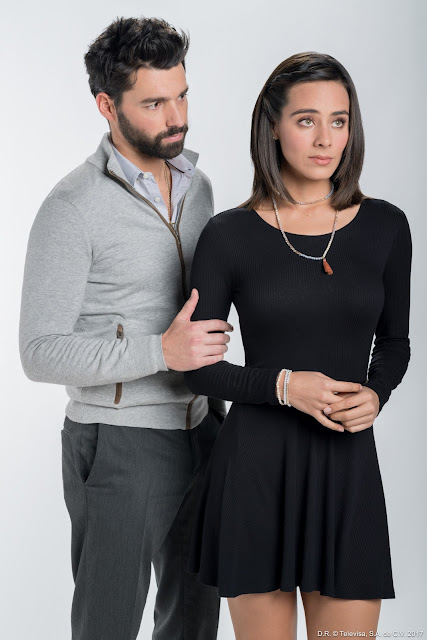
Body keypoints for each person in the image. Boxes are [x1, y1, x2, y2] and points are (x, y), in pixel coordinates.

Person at [183, 52, 412, 640]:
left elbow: (395, 343)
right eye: (307, 120)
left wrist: (377, 394)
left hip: (347, 468)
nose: (325, 138)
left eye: (339, 120)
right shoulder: (228, 234)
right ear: (272, 126)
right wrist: (284, 386)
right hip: (255, 471)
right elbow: (198, 370)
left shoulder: (386, 226)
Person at [18, 16, 232, 640]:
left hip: (203, 430)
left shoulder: (198, 187)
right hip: (120, 444)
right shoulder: (72, 207)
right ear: (107, 106)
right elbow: (38, 351)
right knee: (107, 627)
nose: (177, 116)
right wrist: (160, 350)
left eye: (182, 95)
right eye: (155, 103)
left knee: (194, 625)